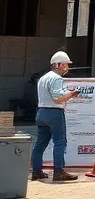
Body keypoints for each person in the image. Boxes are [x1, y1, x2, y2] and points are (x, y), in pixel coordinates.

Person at [30, 50, 81, 182]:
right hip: (54, 113)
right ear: (59, 65)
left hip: (41, 112)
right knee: (60, 142)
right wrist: (72, 93)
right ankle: (58, 171)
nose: (67, 67)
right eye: (66, 64)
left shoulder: (43, 78)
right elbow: (58, 98)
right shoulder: (57, 79)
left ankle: (36, 171)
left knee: (40, 143)